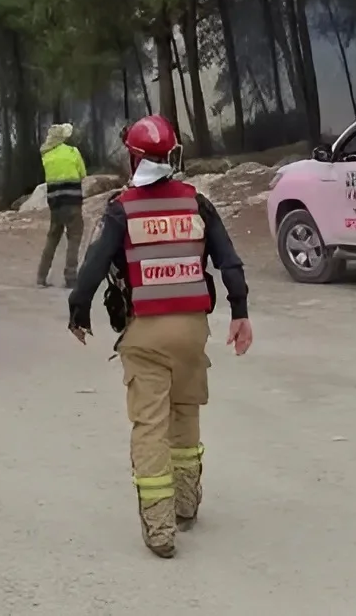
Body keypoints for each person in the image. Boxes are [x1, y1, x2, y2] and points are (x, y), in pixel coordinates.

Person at [67, 114, 253, 558]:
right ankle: (186, 506)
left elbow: (93, 267)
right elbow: (229, 262)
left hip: (146, 333)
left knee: (150, 425)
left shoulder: (122, 208)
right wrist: (240, 313)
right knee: (185, 412)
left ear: (133, 158)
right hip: (192, 330)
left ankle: (160, 529)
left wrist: (79, 312)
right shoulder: (196, 203)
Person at [37, 122, 87, 289]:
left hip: (55, 205)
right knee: (74, 237)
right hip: (72, 203)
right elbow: (83, 174)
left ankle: (41, 276)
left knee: (52, 238)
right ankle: (70, 277)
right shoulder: (73, 152)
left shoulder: (46, 156)